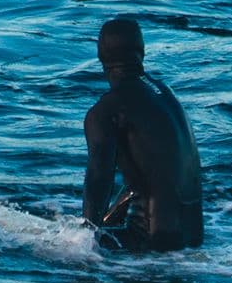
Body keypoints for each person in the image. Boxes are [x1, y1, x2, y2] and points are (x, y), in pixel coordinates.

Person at [83, 17, 204, 252]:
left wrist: (84, 239)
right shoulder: (165, 94)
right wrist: (108, 221)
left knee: (39, 246)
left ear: (101, 55)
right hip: (193, 239)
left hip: (150, 244)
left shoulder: (107, 110)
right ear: (142, 52)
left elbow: (99, 178)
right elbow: (151, 176)